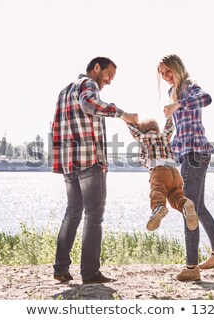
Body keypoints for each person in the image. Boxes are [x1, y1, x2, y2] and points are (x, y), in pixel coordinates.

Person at [51, 57, 138, 284]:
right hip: (89, 160)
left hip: (69, 162)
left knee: (72, 212)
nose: (108, 81)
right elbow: (89, 104)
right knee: (94, 215)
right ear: (96, 68)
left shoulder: (64, 91)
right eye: (109, 75)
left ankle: (60, 269)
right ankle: (90, 273)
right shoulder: (88, 85)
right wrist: (122, 114)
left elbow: (56, 125)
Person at [158, 54, 214, 281]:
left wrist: (178, 103)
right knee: (197, 206)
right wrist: (161, 145)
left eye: (168, 71)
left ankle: (191, 268)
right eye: (162, 73)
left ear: (177, 68)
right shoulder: (173, 94)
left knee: (188, 208)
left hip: (195, 153)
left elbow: (206, 98)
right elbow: (173, 127)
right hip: (188, 154)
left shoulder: (189, 86)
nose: (166, 76)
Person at [127, 117, 198, 231]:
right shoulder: (164, 136)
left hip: (159, 172)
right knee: (176, 196)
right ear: (156, 128)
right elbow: (170, 127)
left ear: (142, 130)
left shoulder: (143, 138)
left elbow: (134, 132)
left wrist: (128, 120)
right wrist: (169, 117)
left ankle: (158, 207)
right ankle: (186, 204)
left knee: (158, 191)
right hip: (175, 173)